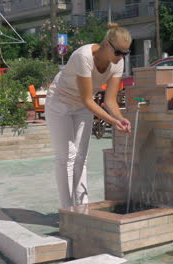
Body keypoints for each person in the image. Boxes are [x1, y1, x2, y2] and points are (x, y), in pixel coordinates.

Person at [45, 23, 132, 208]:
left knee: (81, 157)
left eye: (126, 53)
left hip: (82, 106)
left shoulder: (118, 63)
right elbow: (87, 99)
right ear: (107, 44)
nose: (121, 57)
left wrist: (120, 118)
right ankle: (67, 209)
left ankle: (82, 208)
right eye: (119, 52)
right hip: (60, 103)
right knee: (66, 157)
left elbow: (110, 101)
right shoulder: (83, 56)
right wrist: (112, 122)